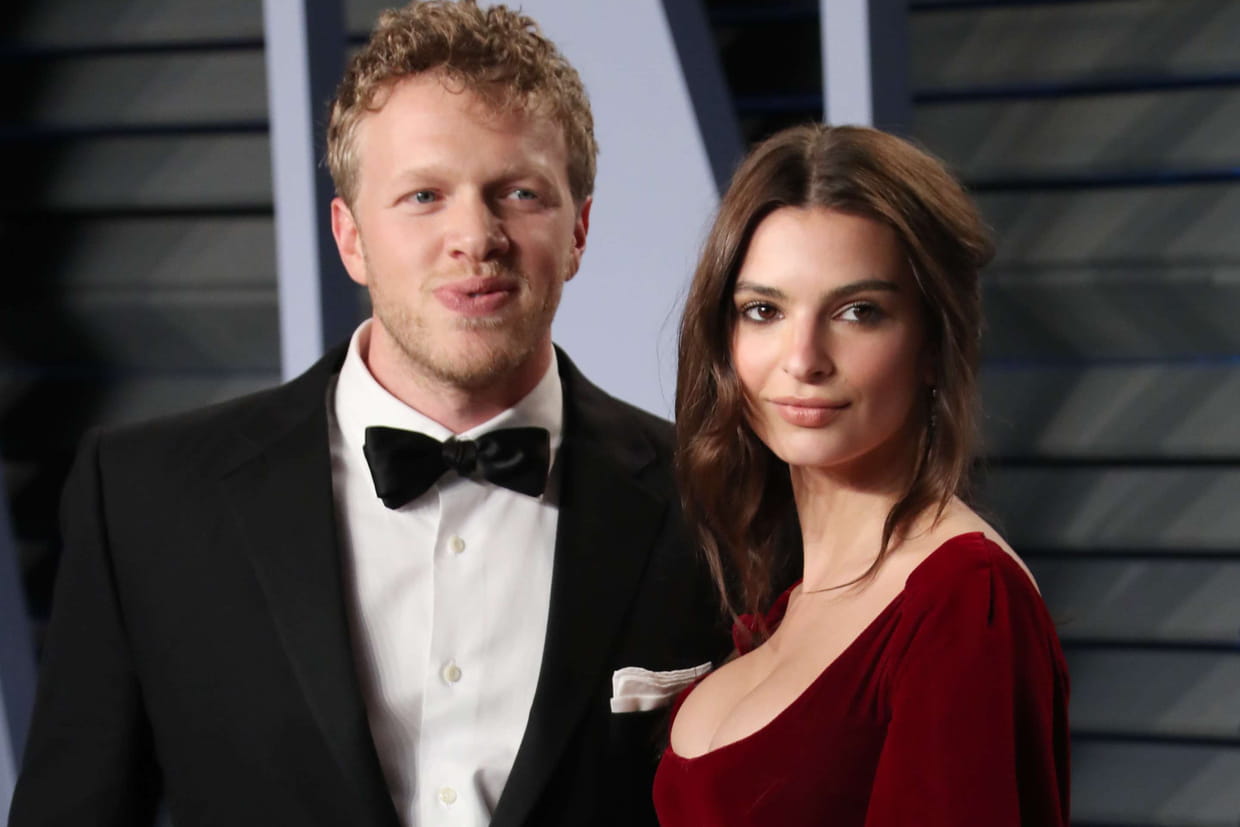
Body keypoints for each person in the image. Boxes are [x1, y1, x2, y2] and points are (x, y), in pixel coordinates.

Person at [9, 3, 727, 825]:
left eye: (519, 192)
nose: (475, 236)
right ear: (350, 236)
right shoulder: (146, 501)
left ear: (579, 231)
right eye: (423, 195)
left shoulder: (716, 499)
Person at [653, 124, 1070, 825]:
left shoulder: (963, 600)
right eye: (764, 311)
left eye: (858, 312)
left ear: (934, 343)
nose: (803, 358)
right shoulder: (787, 604)